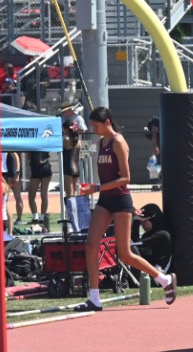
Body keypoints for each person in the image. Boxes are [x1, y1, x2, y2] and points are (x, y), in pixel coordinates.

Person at [74, 107, 176, 312]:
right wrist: (98, 190)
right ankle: (94, 298)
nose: (94, 129)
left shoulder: (118, 142)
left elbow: (125, 178)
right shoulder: (100, 142)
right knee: (91, 245)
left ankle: (164, 279)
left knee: (125, 254)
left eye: (96, 125)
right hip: (105, 200)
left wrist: (96, 188)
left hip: (120, 202)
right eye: (92, 125)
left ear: (107, 122)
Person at [131, 203, 172, 274]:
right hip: (147, 271)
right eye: (141, 223)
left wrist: (136, 221)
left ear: (153, 219)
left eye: (144, 221)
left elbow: (135, 244)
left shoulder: (163, 235)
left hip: (157, 275)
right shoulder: (146, 235)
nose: (142, 225)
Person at [26, 151, 52, 224]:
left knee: (31, 196)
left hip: (36, 167)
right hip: (46, 166)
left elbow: (28, 156)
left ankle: (35, 216)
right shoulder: (45, 144)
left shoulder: (32, 145)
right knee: (44, 194)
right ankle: (42, 217)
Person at [62, 121, 81, 197]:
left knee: (69, 194)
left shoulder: (66, 139)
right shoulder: (78, 141)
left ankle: (70, 205)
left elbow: (60, 151)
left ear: (66, 129)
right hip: (76, 167)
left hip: (68, 168)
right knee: (74, 193)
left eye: (63, 128)